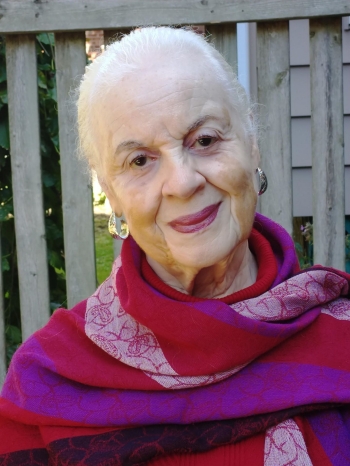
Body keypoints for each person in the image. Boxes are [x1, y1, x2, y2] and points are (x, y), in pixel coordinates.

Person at [1, 26, 350, 465]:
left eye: (205, 140)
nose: (183, 182)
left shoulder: (342, 341)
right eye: (140, 161)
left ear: (252, 145)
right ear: (111, 191)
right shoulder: (49, 379)